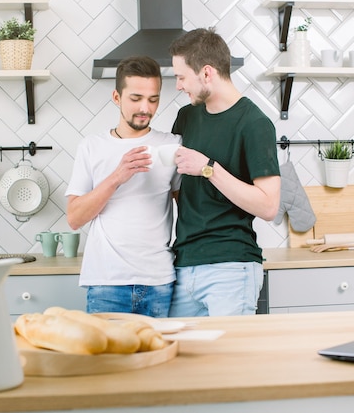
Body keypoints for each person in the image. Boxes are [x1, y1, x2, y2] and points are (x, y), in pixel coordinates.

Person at [168, 28, 281, 317]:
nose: (178, 86)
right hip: (184, 263)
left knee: (228, 361)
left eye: (181, 76)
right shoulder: (186, 117)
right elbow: (181, 186)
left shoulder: (254, 124)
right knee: (184, 362)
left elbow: (269, 206)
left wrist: (209, 168)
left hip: (231, 267)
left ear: (206, 73)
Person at [65, 56, 181, 318]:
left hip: (159, 280)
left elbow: (188, 210)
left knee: (158, 359)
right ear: (117, 97)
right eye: (136, 98)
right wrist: (117, 176)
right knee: (107, 360)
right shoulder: (92, 147)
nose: (145, 108)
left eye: (153, 99)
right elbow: (74, 217)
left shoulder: (171, 144)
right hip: (107, 282)